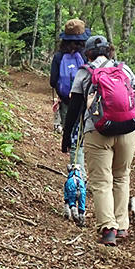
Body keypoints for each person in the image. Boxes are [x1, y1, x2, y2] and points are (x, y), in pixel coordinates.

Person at [61, 35, 135, 246]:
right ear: (110, 51)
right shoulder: (125, 70)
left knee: (101, 181)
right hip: (128, 130)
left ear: (88, 53)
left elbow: (74, 109)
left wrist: (66, 137)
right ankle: (122, 226)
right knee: (121, 177)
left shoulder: (85, 72)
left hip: (97, 131)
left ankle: (108, 229)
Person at [50, 19, 89, 173]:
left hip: (67, 102)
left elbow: (53, 80)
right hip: (87, 102)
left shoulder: (59, 56)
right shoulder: (87, 55)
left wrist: (62, 95)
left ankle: (78, 175)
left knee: (73, 138)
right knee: (87, 137)